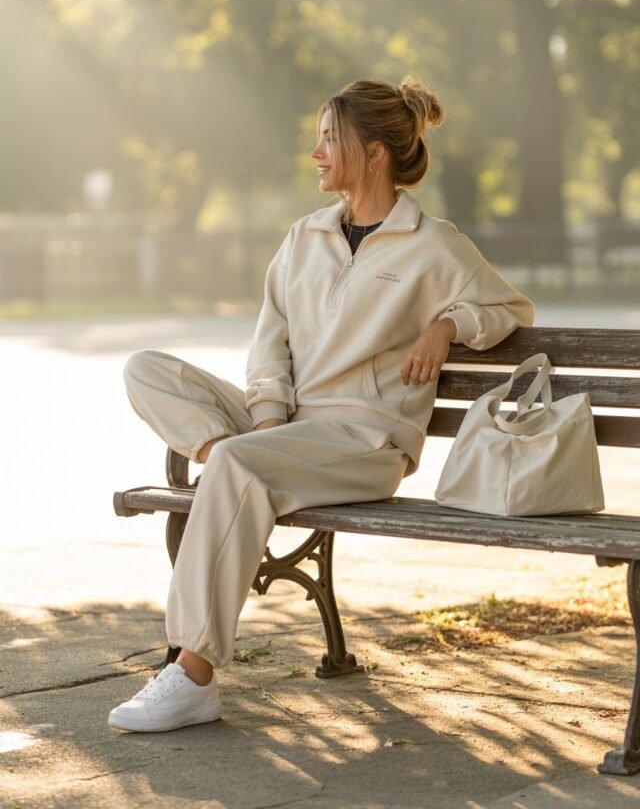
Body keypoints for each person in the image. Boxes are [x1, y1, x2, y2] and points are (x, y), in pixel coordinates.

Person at [108, 76, 534, 732]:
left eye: (329, 139)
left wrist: (447, 325)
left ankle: (192, 674)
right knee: (148, 370)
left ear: (374, 152)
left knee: (239, 470)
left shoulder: (432, 244)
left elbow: (512, 309)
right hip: (289, 426)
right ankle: (235, 458)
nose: (316, 153)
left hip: (364, 442)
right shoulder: (303, 238)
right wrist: (268, 420)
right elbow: (268, 344)